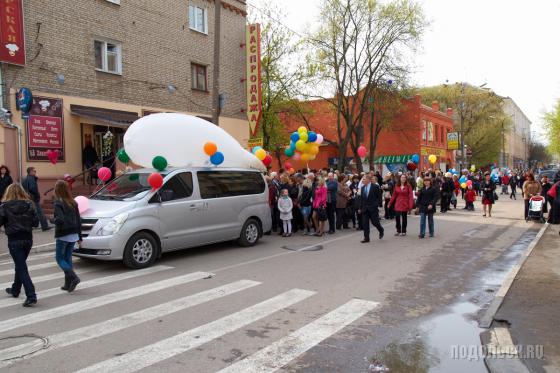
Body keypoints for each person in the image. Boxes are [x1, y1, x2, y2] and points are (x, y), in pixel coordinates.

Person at [0, 184, 39, 307]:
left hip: (14, 240)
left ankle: (31, 295)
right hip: (28, 239)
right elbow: (36, 223)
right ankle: (15, 289)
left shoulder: (4, 206)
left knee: (21, 267)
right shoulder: (29, 205)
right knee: (20, 265)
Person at [51, 180, 82, 292]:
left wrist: (52, 220)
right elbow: (79, 220)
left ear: (57, 190)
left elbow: (59, 219)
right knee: (67, 258)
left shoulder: (58, 203)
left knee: (59, 258)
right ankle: (68, 284)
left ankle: (73, 277)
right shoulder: (73, 202)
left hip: (63, 234)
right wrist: (80, 237)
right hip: (73, 234)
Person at [22, 167, 51, 231]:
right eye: (34, 171)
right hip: (33, 198)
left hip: (27, 198)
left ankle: (28, 226)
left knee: (29, 212)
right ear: (31, 172)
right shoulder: (31, 178)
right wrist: (37, 195)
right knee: (39, 212)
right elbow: (32, 188)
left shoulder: (25, 178)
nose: (35, 172)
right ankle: (45, 226)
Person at [359, 175, 384, 243]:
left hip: (373, 208)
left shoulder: (375, 186)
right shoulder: (363, 188)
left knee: (375, 222)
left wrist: (377, 205)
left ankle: (381, 230)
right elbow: (362, 199)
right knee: (365, 224)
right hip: (365, 208)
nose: (362, 181)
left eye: (364, 179)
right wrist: (360, 208)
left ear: (368, 180)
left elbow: (379, 197)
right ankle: (366, 238)